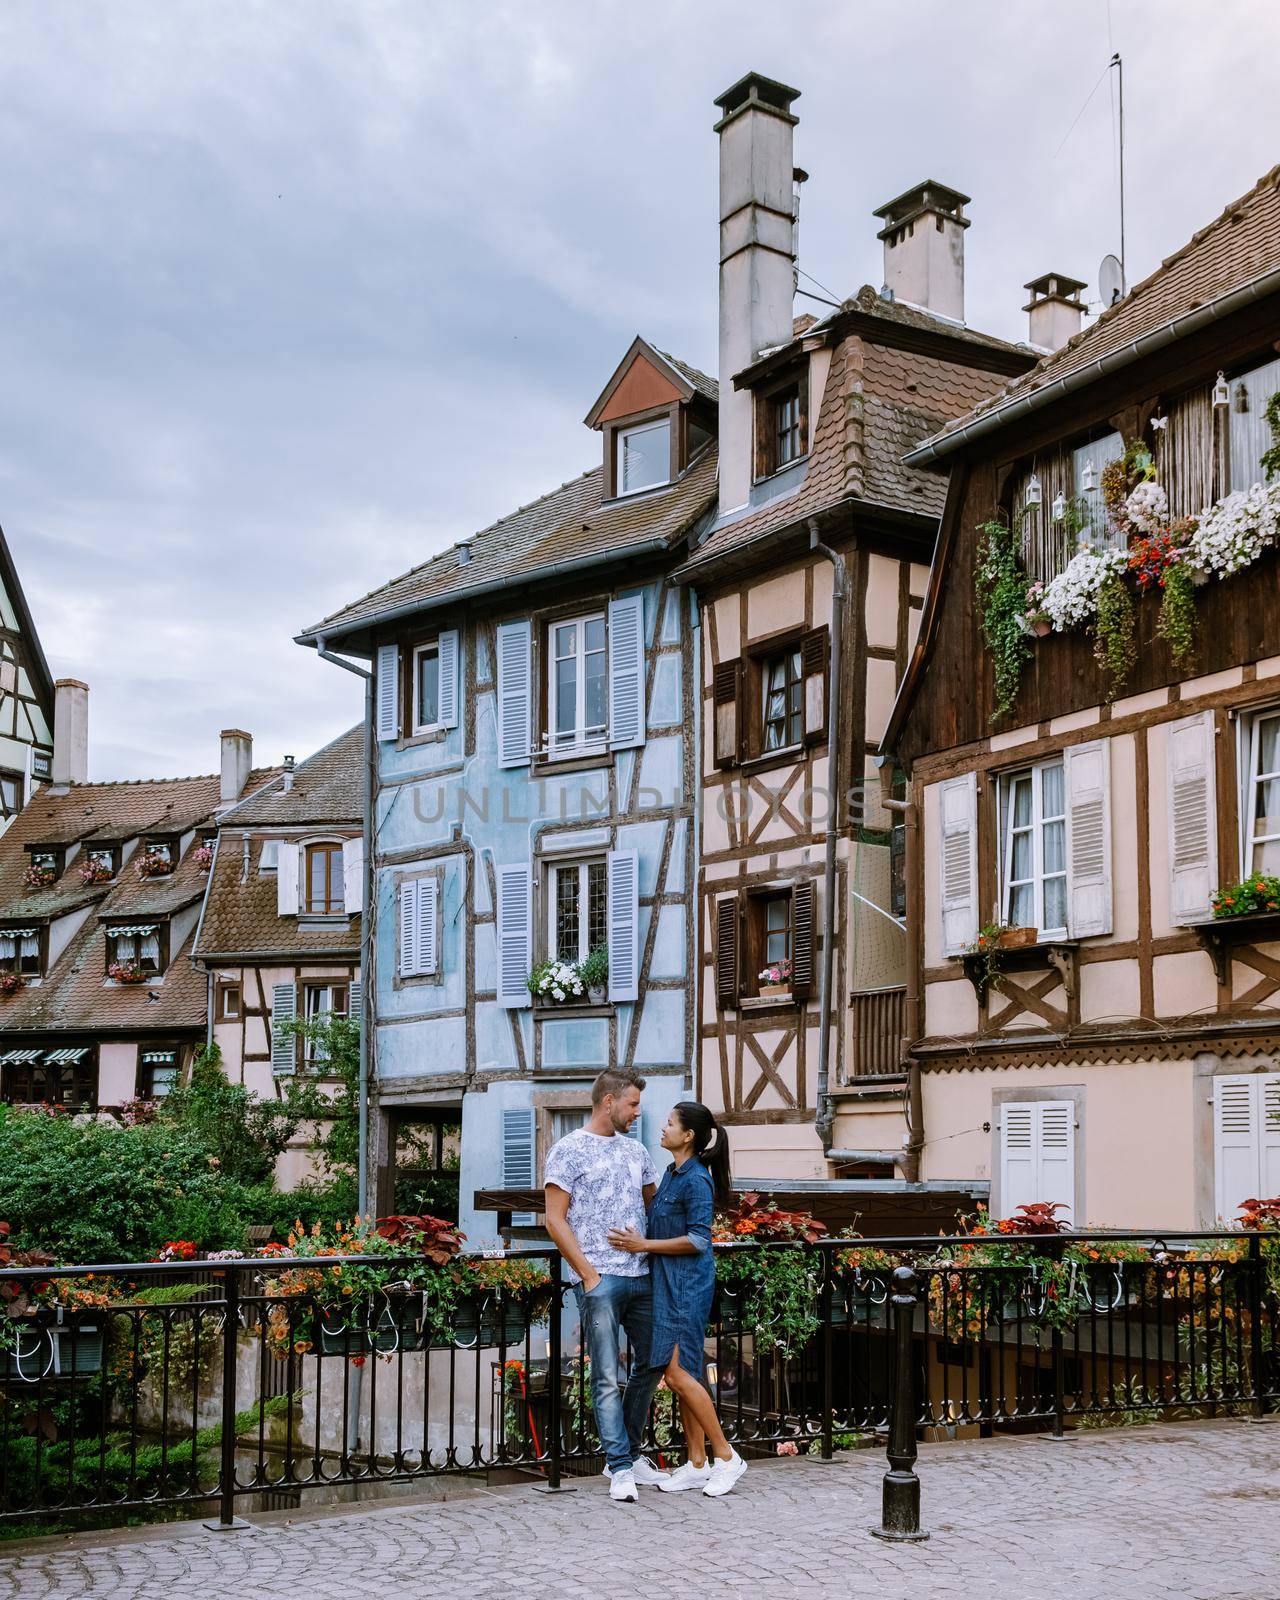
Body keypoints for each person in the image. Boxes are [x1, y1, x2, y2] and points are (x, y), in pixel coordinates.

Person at [607, 1101, 747, 1498]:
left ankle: (727, 1457)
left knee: (677, 1375)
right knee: (687, 1374)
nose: (662, 1128)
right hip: (667, 1285)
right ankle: (697, 1463)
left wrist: (643, 1243)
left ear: (688, 1136)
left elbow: (700, 1240)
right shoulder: (672, 1173)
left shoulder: (696, 1179)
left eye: (670, 1124)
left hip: (686, 1287)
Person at [543, 1068, 668, 1503]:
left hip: (643, 1275)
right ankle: (618, 1467)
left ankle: (630, 1455)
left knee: (653, 1362)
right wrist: (589, 1276)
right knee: (605, 1374)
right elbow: (554, 1220)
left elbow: (657, 1206)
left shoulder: (637, 1152)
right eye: (633, 1104)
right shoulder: (567, 1151)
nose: (638, 1112)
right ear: (609, 1101)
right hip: (599, 1279)